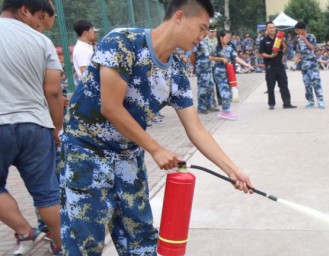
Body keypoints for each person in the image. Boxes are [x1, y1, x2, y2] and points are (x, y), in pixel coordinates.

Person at [60, 0, 255, 254]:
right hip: (85, 153)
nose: (203, 36)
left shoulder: (176, 73)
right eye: (201, 27)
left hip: (128, 157)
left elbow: (196, 129)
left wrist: (232, 170)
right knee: (85, 243)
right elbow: (111, 107)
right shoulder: (123, 42)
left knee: (141, 240)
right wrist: (156, 148)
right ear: (180, 17)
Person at [0, 0, 64, 255]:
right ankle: (61, 245)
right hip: (37, 125)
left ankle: (26, 231)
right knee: (47, 193)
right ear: (24, 10)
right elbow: (54, 91)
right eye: (40, 18)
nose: (41, 25)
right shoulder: (41, 42)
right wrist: (55, 128)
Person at [210, 30, 253, 120]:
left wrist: (246, 64)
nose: (228, 40)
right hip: (219, 73)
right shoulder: (215, 47)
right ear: (221, 38)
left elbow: (236, 58)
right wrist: (221, 59)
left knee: (229, 93)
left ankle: (224, 111)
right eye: (227, 38)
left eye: (229, 38)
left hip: (229, 73)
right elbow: (211, 57)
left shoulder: (230, 48)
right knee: (224, 93)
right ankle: (227, 111)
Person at [259, 22, 297, 110]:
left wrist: (282, 41)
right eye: (270, 28)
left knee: (284, 84)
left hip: (280, 65)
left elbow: (285, 50)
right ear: (267, 29)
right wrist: (270, 56)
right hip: (270, 66)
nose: (272, 29)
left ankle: (287, 103)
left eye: (273, 27)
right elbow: (261, 53)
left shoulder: (278, 39)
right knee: (270, 86)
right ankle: (271, 104)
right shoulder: (264, 41)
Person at [294, 22, 325, 109]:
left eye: (298, 30)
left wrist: (304, 39)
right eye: (296, 30)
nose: (297, 32)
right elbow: (299, 52)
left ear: (303, 29)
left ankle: (320, 100)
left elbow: (312, 48)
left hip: (312, 64)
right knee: (306, 83)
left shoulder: (311, 36)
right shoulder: (298, 39)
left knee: (316, 82)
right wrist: (296, 60)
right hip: (304, 65)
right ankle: (310, 101)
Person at [190, 28, 218, 114]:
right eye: (206, 30)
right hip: (202, 69)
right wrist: (195, 65)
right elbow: (192, 55)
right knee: (203, 87)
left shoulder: (205, 41)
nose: (207, 31)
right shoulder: (197, 41)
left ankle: (210, 105)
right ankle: (202, 107)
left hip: (208, 68)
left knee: (210, 86)